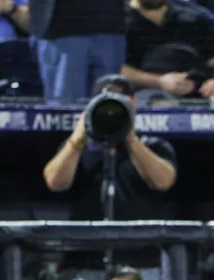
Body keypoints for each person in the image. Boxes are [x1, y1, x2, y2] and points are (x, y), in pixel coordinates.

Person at [42, 74, 178, 222]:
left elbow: (163, 182)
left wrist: (130, 138)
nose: (112, 105)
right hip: (88, 238)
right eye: (106, 98)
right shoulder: (78, 146)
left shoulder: (152, 144)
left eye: (121, 97)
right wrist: (77, 138)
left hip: (138, 239)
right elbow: (55, 183)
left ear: (133, 103)